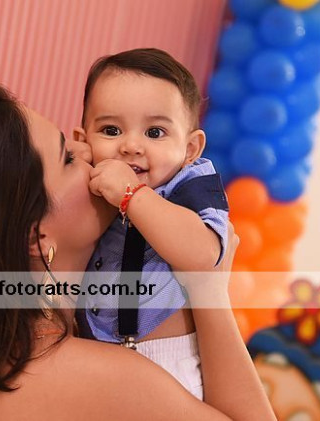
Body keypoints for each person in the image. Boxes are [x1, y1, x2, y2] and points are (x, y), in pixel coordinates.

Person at [0, 84, 274, 421]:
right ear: (34, 238)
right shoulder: (99, 381)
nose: (90, 152)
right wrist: (208, 291)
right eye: (68, 157)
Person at [74, 48, 228, 398]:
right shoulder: (89, 179)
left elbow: (204, 254)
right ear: (84, 141)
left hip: (165, 361)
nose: (131, 146)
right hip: (94, 350)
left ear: (190, 149)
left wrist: (133, 196)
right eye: (111, 130)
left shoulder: (189, 184)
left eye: (155, 132)